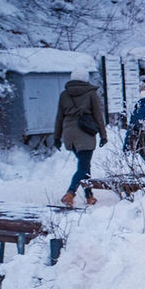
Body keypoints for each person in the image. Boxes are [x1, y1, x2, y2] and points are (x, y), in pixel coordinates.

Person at [54, 68, 107, 207]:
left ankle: (89, 196)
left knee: (84, 165)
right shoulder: (91, 94)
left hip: (69, 134)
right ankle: (70, 193)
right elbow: (98, 116)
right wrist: (103, 135)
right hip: (85, 133)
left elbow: (59, 117)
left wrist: (57, 137)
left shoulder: (64, 95)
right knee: (83, 167)